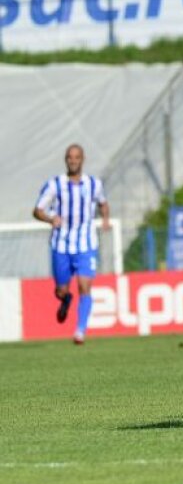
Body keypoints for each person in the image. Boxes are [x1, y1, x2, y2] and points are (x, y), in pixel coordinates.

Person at [33, 145, 110, 345]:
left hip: (86, 244)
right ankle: (65, 299)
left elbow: (103, 203)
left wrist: (106, 220)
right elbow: (38, 210)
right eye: (69, 157)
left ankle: (80, 331)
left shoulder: (94, 184)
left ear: (83, 159)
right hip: (61, 245)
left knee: (85, 286)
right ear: (66, 160)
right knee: (61, 290)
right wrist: (50, 219)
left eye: (76, 157)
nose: (73, 160)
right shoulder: (54, 185)